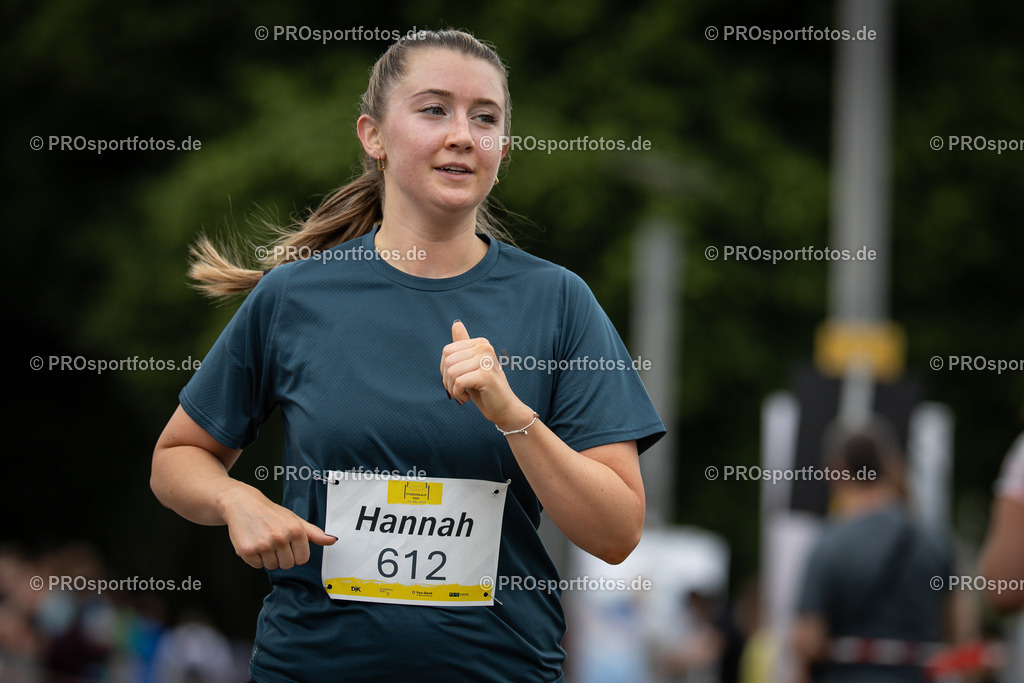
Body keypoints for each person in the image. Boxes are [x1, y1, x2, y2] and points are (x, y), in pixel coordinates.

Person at [150, 29, 665, 682]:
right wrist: (233, 499)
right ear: (373, 136)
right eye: (434, 109)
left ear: (503, 149)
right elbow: (176, 457)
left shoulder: (559, 301)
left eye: (486, 118)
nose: (462, 135)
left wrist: (514, 417)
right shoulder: (295, 296)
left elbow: (617, 533)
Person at [791, 418, 955, 683]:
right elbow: (958, 629)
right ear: (888, 465)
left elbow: (809, 639)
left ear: (835, 468)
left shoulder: (830, 544)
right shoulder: (933, 541)